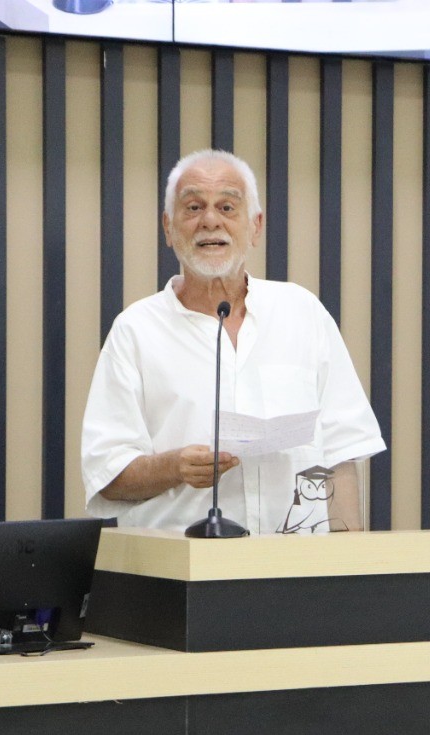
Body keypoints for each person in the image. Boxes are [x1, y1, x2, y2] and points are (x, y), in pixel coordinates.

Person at [82, 149, 385, 534]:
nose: (210, 221)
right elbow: (106, 473)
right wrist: (174, 467)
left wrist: (349, 560)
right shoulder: (135, 330)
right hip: (181, 562)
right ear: (168, 228)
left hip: (297, 562)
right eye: (193, 207)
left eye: (227, 207)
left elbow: (343, 450)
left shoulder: (302, 312)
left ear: (256, 226)